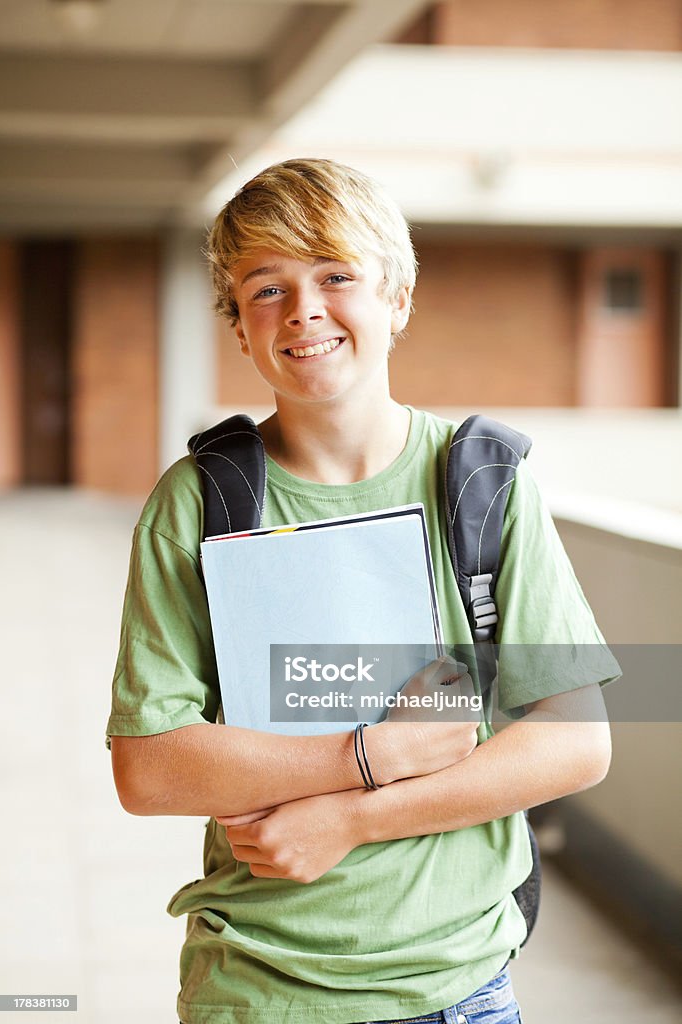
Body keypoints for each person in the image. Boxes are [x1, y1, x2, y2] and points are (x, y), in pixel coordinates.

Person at [107, 158, 620, 1024]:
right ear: (238, 328)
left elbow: (573, 743)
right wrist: (363, 757)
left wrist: (351, 819)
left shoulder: (481, 483)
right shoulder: (198, 502)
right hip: (261, 992)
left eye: (335, 275)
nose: (302, 309)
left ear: (397, 300)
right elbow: (148, 767)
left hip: (463, 988)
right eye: (265, 288)